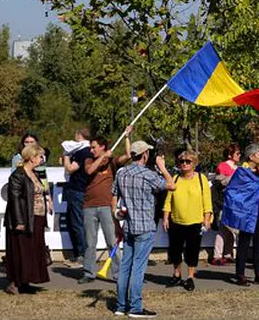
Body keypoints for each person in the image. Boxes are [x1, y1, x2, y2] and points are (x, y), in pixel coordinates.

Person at [112, 140, 176, 318]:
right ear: (145, 155)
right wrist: (162, 167)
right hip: (145, 226)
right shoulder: (147, 174)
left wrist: (117, 219)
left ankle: (120, 305)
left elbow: (114, 196)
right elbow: (172, 185)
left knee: (125, 267)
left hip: (129, 226)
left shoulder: (121, 173)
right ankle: (135, 307)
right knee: (138, 269)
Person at [223, 143, 259, 287]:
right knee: (244, 243)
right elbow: (233, 191)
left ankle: (258, 273)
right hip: (247, 212)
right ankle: (240, 274)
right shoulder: (242, 172)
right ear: (251, 156)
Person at [80, 131, 130, 284]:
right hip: (89, 206)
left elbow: (128, 156)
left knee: (112, 240)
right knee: (90, 242)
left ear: (102, 146)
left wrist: (127, 136)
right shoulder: (89, 160)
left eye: (94, 147)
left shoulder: (112, 162)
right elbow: (90, 171)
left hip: (107, 207)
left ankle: (118, 275)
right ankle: (89, 272)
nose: (91, 150)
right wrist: (102, 156)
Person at [161, 150, 212, 291]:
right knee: (175, 250)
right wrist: (165, 217)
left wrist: (206, 218)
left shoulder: (201, 179)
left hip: (195, 222)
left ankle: (190, 277)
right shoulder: (175, 179)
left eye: (187, 161)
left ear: (194, 163)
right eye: (181, 161)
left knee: (192, 250)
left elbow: (207, 202)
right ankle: (177, 275)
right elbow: (168, 200)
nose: (184, 164)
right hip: (176, 221)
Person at [5, 144, 51, 295]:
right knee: (21, 251)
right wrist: (19, 221)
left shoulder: (35, 174)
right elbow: (15, 200)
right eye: (39, 156)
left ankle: (26, 281)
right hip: (24, 218)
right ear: (32, 158)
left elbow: (41, 192)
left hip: (37, 217)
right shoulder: (18, 175)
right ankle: (14, 282)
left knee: (33, 250)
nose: (41, 159)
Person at [60, 127, 93, 267]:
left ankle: (81, 255)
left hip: (77, 190)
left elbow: (71, 168)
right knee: (74, 222)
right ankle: (78, 253)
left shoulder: (82, 153)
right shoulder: (88, 151)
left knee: (77, 222)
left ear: (79, 135)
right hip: (80, 189)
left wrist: (67, 156)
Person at [212, 143, 241, 266]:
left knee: (231, 228)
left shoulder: (238, 168)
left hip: (235, 201)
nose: (239, 156)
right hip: (224, 201)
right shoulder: (223, 166)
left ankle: (228, 253)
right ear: (230, 155)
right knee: (223, 228)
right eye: (237, 153)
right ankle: (217, 255)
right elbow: (221, 182)